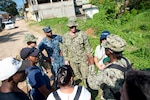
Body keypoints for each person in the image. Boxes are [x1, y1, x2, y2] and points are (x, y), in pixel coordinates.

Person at [88, 34, 131, 100]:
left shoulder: (108, 71)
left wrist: (91, 65)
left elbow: (92, 84)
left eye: (105, 48)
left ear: (108, 52)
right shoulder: (126, 60)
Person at [63, 17, 93, 86]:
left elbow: (87, 46)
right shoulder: (65, 36)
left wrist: (89, 57)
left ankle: (88, 88)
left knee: (85, 75)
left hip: (83, 59)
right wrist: (66, 59)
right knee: (77, 76)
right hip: (72, 60)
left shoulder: (82, 34)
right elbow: (64, 49)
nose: (73, 28)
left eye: (74, 26)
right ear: (69, 27)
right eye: (71, 27)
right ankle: (79, 90)